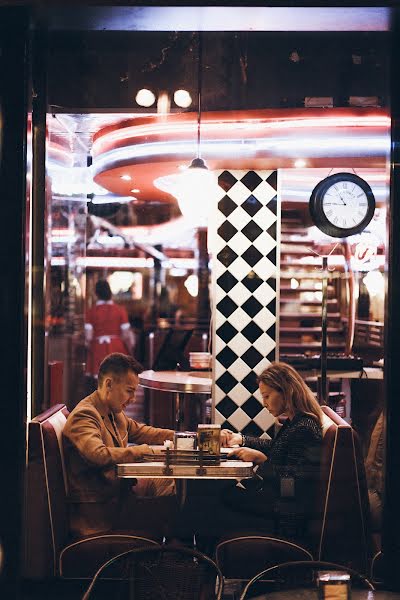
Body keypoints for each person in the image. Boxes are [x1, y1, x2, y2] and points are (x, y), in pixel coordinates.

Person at [62, 352, 176, 537]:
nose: (132, 399)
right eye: (129, 391)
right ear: (108, 384)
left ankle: (166, 551)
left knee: (170, 484)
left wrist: (187, 438)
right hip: (100, 513)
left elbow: (144, 432)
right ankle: (168, 553)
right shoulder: (84, 415)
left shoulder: (112, 410)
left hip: (117, 497)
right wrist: (145, 451)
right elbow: (98, 454)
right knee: (171, 508)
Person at [221, 361, 323, 538]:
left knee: (218, 496)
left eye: (267, 396)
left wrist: (262, 461)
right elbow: (276, 447)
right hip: (277, 500)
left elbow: (291, 485)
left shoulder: (304, 427)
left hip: (284, 512)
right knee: (219, 492)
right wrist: (242, 439)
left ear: (286, 391)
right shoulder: (296, 421)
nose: (264, 403)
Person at [85, 279, 136, 378]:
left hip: (98, 349)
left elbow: (88, 337)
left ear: (96, 294)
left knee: (100, 381)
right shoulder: (120, 310)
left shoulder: (91, 312)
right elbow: (126, 335)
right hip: (117, 347)